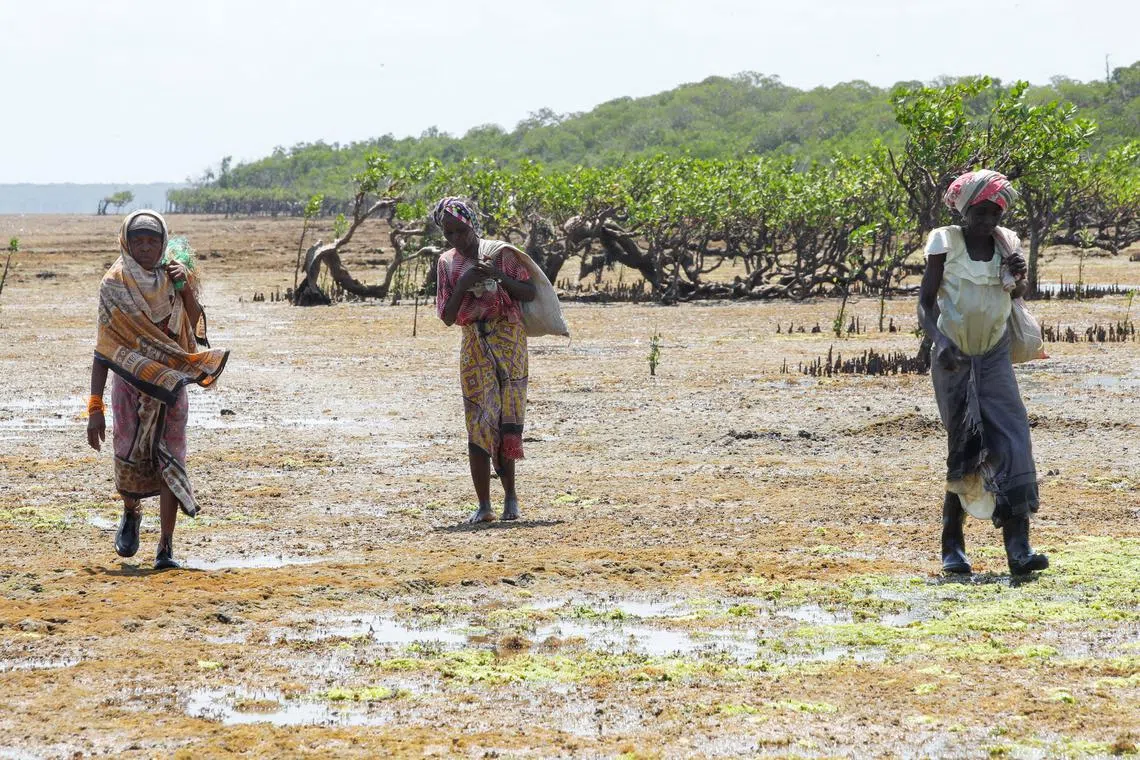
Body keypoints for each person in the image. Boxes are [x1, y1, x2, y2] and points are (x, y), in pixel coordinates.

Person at [918, 170, 1049, 576]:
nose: (987, 221)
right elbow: (925, 302)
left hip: (994, 355)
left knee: (1013, 442)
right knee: (966, 445)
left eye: (994, 213)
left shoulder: (1006, 242)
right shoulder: (946, 240)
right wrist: (939, 343)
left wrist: (1018, 274)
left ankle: (1019, 548)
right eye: (980, 213)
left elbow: (1016, 295)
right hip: (953, 357)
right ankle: (952, 548)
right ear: (964, 210)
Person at [86, 210, 228, 569]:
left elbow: (193, 323)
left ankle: (166, 547)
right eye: (138, 240)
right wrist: (94, 408)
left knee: (171, 457)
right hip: (128, 385)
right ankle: (131, 511)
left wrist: (184, 286)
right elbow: (105, 348)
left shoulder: (174, 276)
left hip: (171, 381)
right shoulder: (114, 284)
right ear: (126, 243)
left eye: (153, 240)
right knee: (128, 452)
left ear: (164, 243)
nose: (146, 247)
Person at [432, 197, 536, 524]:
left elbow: (529, 292)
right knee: (478, 420)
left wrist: (499, 277)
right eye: (449, 233)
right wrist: (463, 284)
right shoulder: (447, 264)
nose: (456, 239)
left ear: (472, 224)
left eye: (460, 231)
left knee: (506, 419)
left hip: (509, 339)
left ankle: (511, 499)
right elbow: (448, 316)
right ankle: (483, 505)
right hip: (474, 342)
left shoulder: (501, 254)